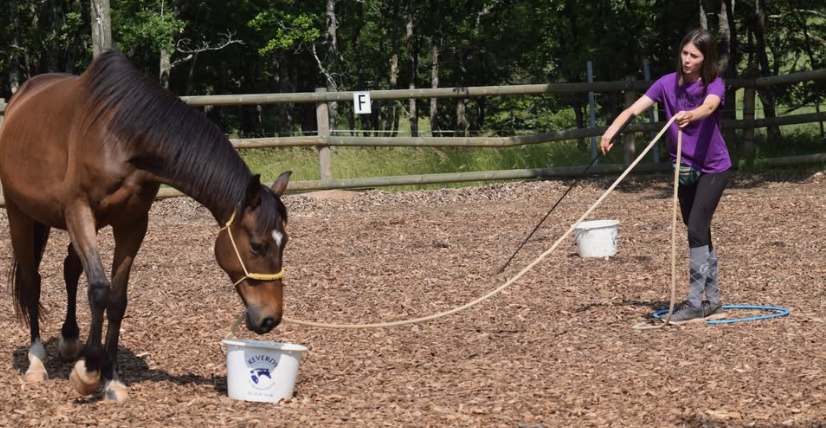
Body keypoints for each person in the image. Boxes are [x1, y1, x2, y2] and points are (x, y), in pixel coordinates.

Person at [600, 28, 731, 324]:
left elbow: (709, 106)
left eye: (694, 56)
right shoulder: (666, 84)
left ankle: (695, 302)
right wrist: (611, 130)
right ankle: (714, 300)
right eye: (684, 53)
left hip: (714, 168)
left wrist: (692, 114)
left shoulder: (715, 85)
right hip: (683, 169)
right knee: (698, 230)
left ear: (705, 59)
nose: (687, 60)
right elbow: (634, 108)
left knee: (696, 226)